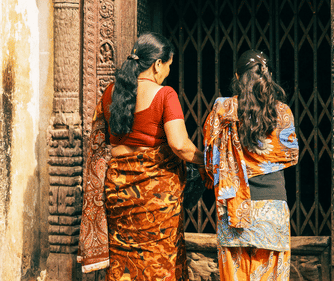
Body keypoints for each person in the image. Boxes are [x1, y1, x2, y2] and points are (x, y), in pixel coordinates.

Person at [78, 32, 203, 281]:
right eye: (168, 65)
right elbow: (180, 145)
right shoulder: (165, 95)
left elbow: (101, 145)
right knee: (156, 265)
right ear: (158, 64)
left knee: (123, 260)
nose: (168, 72)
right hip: (155, 200)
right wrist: (208, 159)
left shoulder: (110, 93)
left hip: (118, 194)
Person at [203, 50, 299, 280]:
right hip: (273, 208)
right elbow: (291, 156)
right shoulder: (283, 112)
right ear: (269, 76)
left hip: (234, 208)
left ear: (237, 77)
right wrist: (261, 162)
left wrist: (238, 165)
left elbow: (210, 160)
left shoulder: (223, 110)